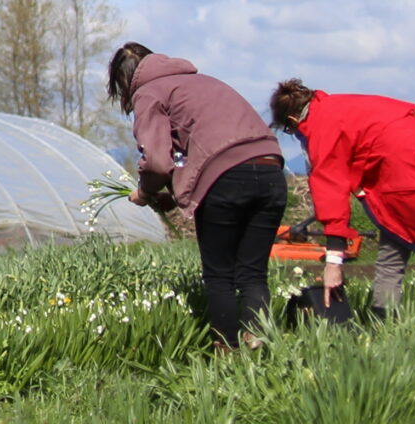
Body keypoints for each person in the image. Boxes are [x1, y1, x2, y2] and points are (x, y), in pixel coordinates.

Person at [110, 43, 286, 349]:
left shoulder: (148, 92)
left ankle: (226, 355)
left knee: (219, 276)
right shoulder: (201, 81)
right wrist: (173, 193)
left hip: (226, 180)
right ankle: (258, 347)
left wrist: (145, 192)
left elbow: (157, 162)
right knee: (253, 274)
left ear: (124, 82)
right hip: (271, 172)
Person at [271, 80, 415, 315]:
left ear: (293, 121)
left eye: (289, 130)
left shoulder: (320, 128)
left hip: (407, 179)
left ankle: (384, 324)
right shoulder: (343, 104)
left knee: (391, 261)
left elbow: (331, 192)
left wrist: (334, 262)